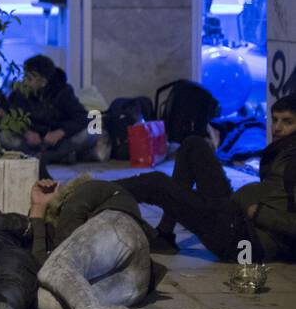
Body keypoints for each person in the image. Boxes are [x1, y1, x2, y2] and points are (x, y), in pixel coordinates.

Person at [118, 94, 296, 263]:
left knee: (157, 184)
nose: (277, 127)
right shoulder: (283, 149)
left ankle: (96, 191)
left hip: (246, 241)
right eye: (275, 120)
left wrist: (260, 214)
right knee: (193, 145)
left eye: (288, 122)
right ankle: (165, 234)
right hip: (234, 214)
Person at [23, 176, 186, 309]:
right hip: (138, 280)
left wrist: (39, 211)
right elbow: (55, 272)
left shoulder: (82, 192)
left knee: (56, 266)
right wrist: (39, 207)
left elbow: (51, 264)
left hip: (120, 228)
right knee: (47, 299)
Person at [0, 54, 94, 166]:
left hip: (58, 140)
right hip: (30, 141)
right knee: (4, 136)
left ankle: (49, 156)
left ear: (43, 81)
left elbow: (82, 117)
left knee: (88, 134)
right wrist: (26, 132)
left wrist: (60, 132)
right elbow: (10, 116)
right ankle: (57, 156)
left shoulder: (63, 92)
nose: (25, 82)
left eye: (29, 78)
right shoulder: (20, 92)